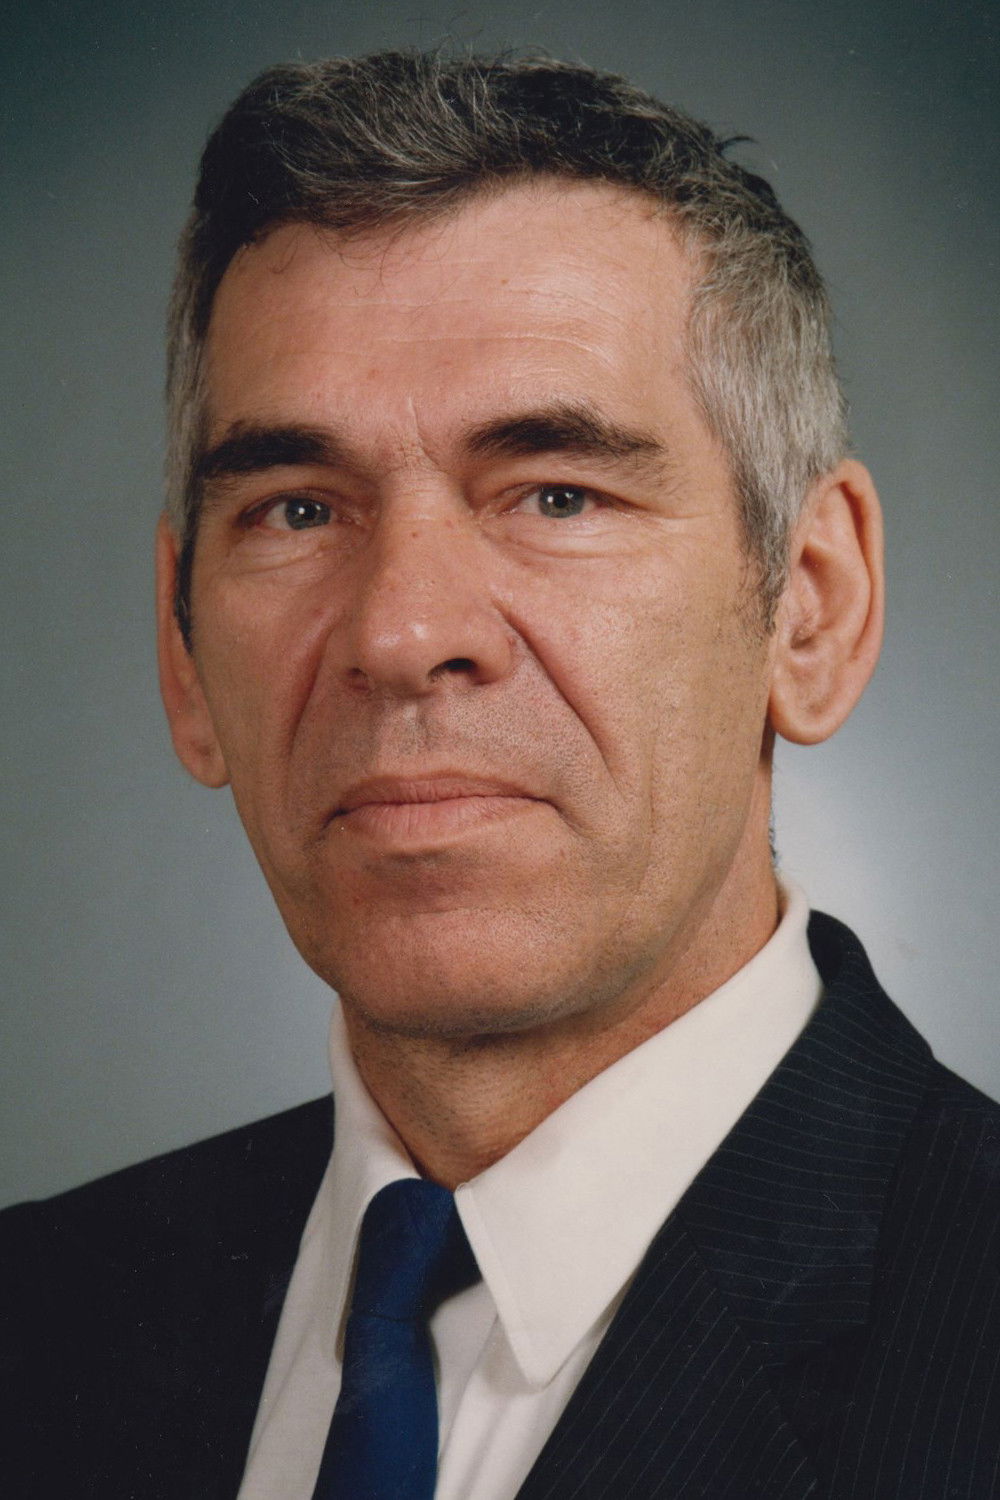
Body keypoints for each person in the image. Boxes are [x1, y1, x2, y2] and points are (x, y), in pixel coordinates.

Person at [3, 49, 999, 1500]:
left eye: (557, 493)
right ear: (182, 654)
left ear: (812, 608)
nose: (402, 633)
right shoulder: (39, 1320)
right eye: (296, 509)